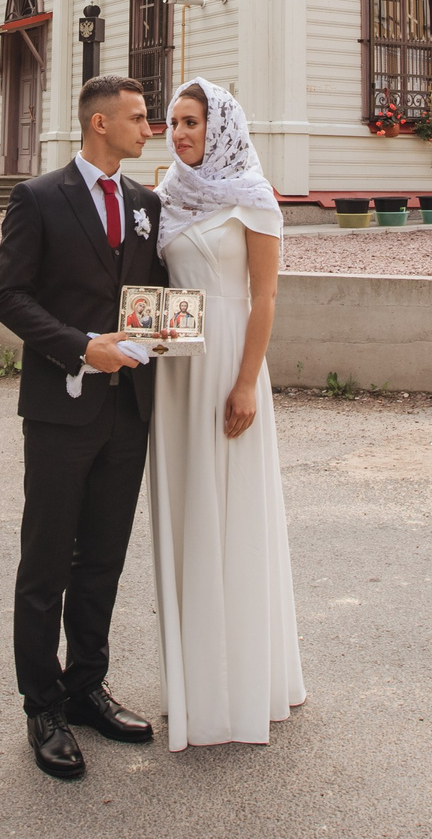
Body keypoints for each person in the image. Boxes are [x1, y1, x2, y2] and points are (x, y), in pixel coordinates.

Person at [0, 73, 166, 781]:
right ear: (99, 123)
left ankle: (87, 684)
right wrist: (77, 344)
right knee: (46, 563)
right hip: (61, 409)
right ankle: (44, 704)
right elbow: (9, 297)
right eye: (138, 117)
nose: (149, 127)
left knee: (103, 557)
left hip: (129, 410)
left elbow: (151, 295)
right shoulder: (37, 198)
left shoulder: (146, 202)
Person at [148, 77, 306, 750]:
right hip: (176, 374)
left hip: (229, 369)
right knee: (187, 515)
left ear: (222, 126)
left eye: (193, 120)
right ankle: (195, 683)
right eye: (173, 121)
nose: (180, 132)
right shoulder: (166, 193)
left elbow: (265, 297)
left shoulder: (252, 197)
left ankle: (243, 685)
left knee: (233, 513)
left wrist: (246, 382)